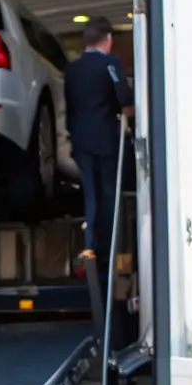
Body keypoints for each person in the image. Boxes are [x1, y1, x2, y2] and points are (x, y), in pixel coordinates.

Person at [63, 15, 133, 268]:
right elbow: (124, 97)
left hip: (81, 139)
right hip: (106, 137)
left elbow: (70, 107)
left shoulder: (72, 69)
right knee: (109, 193)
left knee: (90, 194)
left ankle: (89, 246)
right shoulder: (109, 63)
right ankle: (109, 248)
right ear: (108, 40)